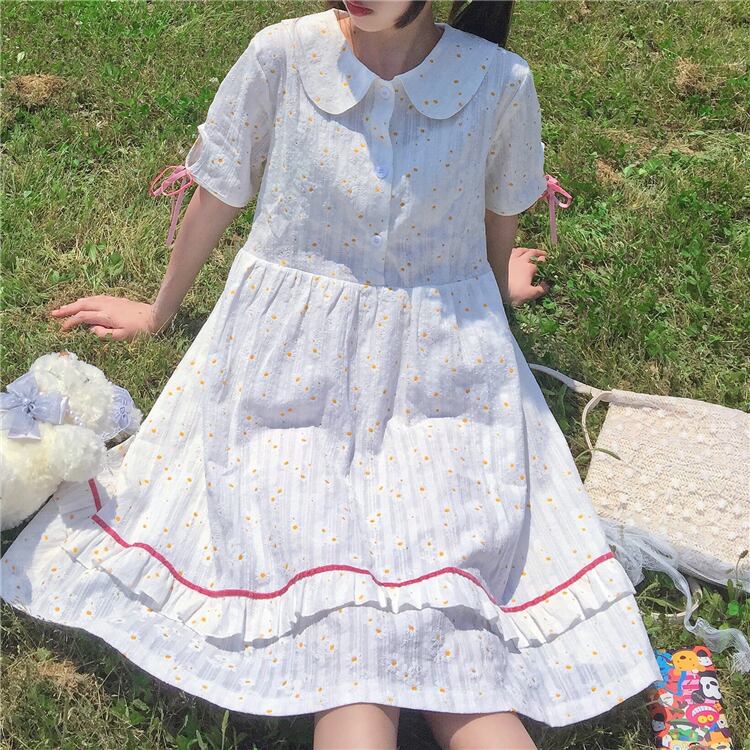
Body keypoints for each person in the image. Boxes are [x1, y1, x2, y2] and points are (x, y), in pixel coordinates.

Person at [1, 1, 663, 748]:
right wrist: (159, 309)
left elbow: (493, 219)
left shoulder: (499, 80)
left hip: (439, 366)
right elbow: (221, 185)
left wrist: (486, 280)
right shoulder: (285, 55)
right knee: (346, 621)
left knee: (456, 613)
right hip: (287, 363)